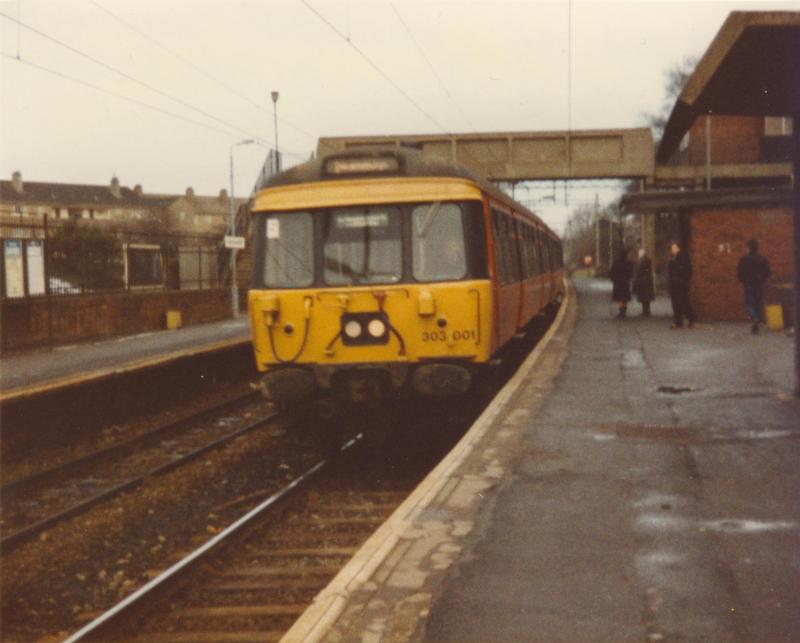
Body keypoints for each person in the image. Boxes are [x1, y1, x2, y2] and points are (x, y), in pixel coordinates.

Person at [736, 238, 771, 334]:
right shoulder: (762, 259)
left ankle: (754, 318)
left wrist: (743, 281)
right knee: (758, 303)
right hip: (759, 285)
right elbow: (768, 272)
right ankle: (758, 320)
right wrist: (762, 280)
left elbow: (740, 273)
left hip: (748, 284)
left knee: (749, 304)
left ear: (748, 248)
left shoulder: (744, 259)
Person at [667, 240, 695, 328]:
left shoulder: (683, 257)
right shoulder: (672, 257)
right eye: (672, 248)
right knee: (675, 304)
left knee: (684, 303)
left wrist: (684, 281)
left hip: (681, 284)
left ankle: (691, 318)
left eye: (674, 248)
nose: (673, 250)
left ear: (678, 248)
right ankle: (678, 322)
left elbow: (687, 271)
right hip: (674, 285)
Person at [609, 250, 633, 318]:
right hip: (625, 282)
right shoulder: (629, 263)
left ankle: (621, 312)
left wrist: (613, 279)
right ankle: (624, 311)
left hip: (618, 282)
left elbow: (612, 272)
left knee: (619, 298)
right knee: (624, 298)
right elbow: (631, 273)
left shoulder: (616, 263)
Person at [632, 248, 655, 317]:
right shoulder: (645, 260)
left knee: (645, 297)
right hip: (645, 281)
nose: (639, 254)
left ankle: (646, 311)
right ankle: (645, 311)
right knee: (645, 297)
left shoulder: (644, 261)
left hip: (644, 281)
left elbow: (640, 270)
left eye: (640, 253)